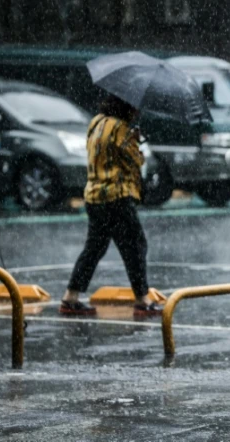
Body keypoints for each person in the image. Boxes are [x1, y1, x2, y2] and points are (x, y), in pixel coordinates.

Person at [59, 94, 161, 317]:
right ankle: (143, 299)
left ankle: (71, 296)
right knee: (135, 246)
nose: (137, 111)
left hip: (94, 195)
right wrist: (137, 142)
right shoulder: (121, 129)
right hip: (116, 196)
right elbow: (135, 161)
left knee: (95, 247)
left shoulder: (97, 122)